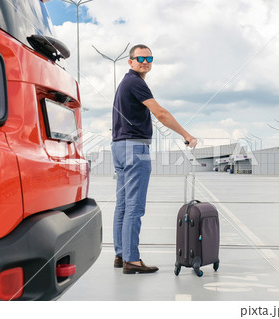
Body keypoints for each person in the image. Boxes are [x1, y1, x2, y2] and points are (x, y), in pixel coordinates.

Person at [111, 44, 197, 274]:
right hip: (135, 147)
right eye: (140, 58)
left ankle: (120, 254)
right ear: (130, 62)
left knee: (122, 205)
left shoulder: (126, 83)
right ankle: (132, 259)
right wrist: (186, 135)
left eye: (149, 58)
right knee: (134, 207)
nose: (145, 61)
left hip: (119, 147)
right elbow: (160, 113)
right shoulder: (135, 82)